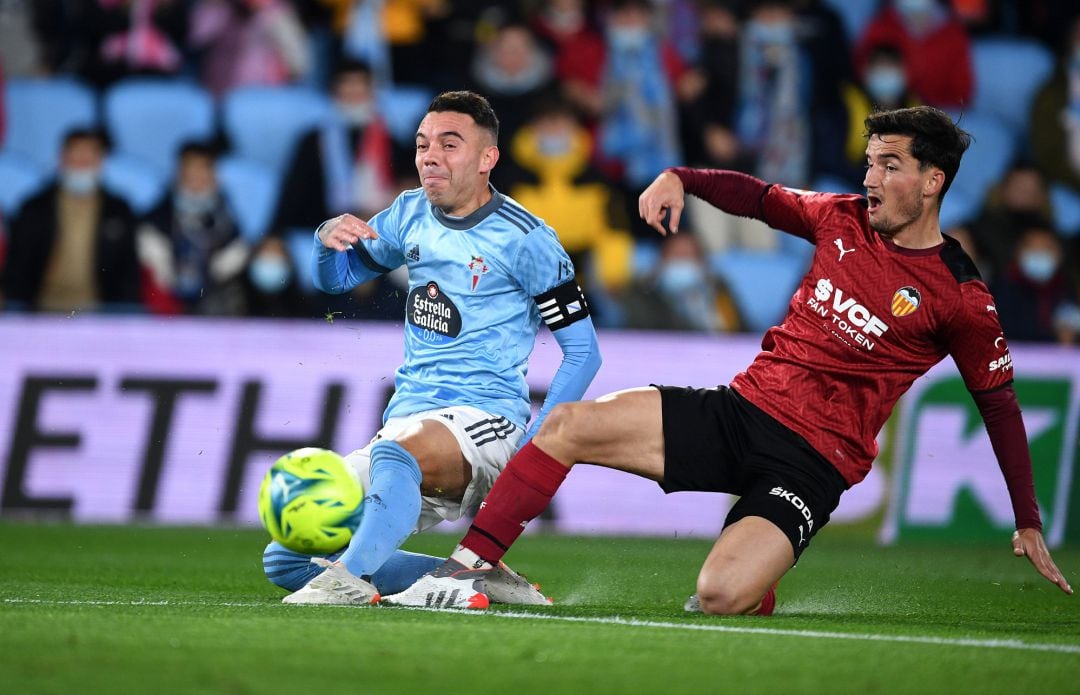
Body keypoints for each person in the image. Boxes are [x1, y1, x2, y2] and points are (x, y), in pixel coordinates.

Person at [385, 105, 1072, 613]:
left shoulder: (960, 295)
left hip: (812, 461)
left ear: (932, 182)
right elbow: (758, 197)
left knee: (717, 594)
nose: (871, 178)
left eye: (890, 166)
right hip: (738, 411)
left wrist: (1027, 516)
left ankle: (755, 574)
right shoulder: (839, 218)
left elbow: (999, 404)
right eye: (870, 162)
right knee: (564, 424)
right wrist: (680, 177)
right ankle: (471, 566)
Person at [266, 90, 602, 606]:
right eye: (424, 144)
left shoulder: (527, 239)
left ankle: (346, 582)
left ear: (488, 158)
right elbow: (337, 281)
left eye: (450, 144)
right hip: (409, 422)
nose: (430, 156)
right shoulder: (408, 213)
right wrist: (323, 239)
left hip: (487, 421)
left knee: (396, 454)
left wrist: (539, 445)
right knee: (286, 555)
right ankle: (470, 578)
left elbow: (583, 352)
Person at [2, 127, 142, 313]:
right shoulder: (34, 208)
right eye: (76, 156)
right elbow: (18, 267)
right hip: (42, 311)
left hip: (101, 313)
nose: (81, 163)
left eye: (88, 157)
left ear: (101, 161)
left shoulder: (119, 210)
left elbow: (129, 272)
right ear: (61, 158)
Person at [138, 141, 249, 315]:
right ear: (178, 174)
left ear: (214, 177)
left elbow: (232, 265)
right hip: (164, 317)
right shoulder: (153, 226)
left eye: (202, 171)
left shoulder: (229, 225)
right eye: (190, 171)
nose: (196, 179)